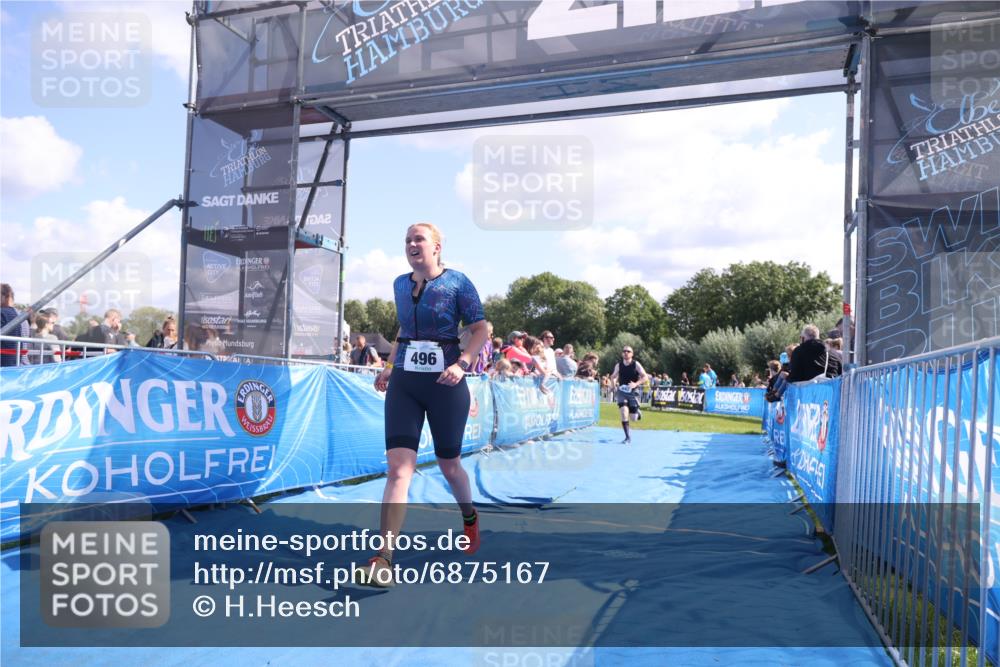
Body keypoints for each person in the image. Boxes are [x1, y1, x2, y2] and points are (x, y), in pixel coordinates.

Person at [358, 223, 489, 588]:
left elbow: (481, 329)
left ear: (436, 247)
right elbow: (404, 331)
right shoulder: (400, 284)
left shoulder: (458, 282)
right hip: (405, 383)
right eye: (408, 240)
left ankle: (469, 516)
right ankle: (383, 557)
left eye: (419, 240)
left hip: (446, 383)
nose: (412, 245)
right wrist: (387, 367)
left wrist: (462, 364)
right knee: (399, 470)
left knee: (450, 467)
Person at [609, 345, 648, 444]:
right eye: (624, 351)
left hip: (632, 392)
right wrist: (613, 386)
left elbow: (645, 377)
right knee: (623, 413)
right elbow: (613, 376)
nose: (626, 353)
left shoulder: (636, 364)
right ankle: (627, 437)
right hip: (622, 392)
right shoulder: (619, 365)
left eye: (628, 351)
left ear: (632, 354)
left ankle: (637, 413)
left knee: (633, 418)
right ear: (622, 353)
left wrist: (636, 383)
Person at [1, 284, 30, 366]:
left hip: (6, 369)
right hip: (22, 367)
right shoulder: (22, 316)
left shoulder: (2, 313)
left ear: (6, 296)